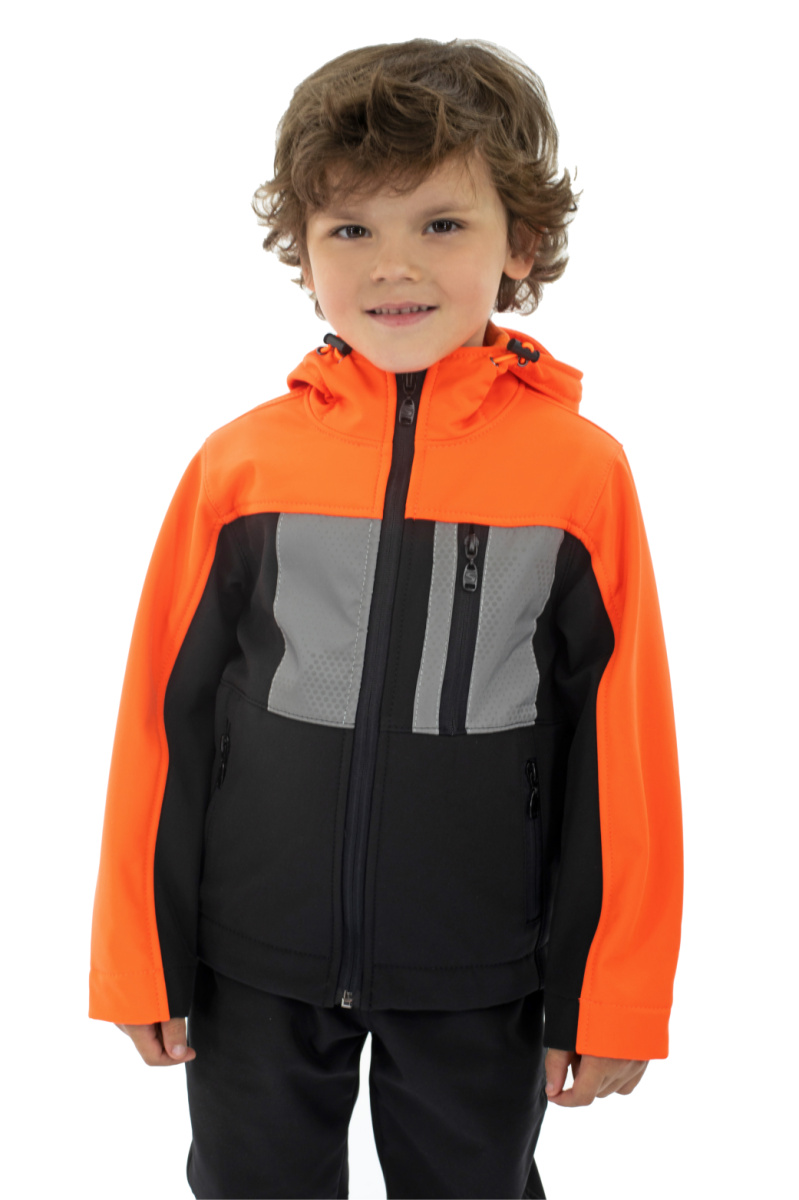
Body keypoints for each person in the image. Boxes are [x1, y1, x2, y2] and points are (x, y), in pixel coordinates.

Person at [88, 36, 683, 1200]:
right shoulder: (242, 466)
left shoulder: (578, 474)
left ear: (520, 242)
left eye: (441, 223)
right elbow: (161, 722)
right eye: (351, 228)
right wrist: (136, 955)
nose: (392, 265)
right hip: (253, 958)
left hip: (479, 964)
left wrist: (611, 992)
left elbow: (622, 751)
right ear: (303, 251)